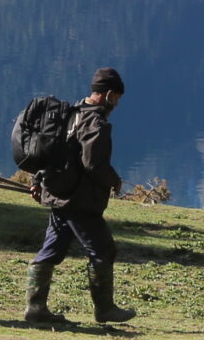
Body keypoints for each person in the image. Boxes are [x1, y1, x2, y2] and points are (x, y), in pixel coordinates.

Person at [24, 66, 134, 326]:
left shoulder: (69, 114)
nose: (117, 104)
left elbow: (49, 151)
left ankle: (35, 308)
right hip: (79, 201)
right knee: (103, 249)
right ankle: (105, 309)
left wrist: (37, 180)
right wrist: (114, 180)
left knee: (52, 249)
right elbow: (93, 164)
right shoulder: (94, 122)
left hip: (59, 194)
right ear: (108, 94)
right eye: (117, 98)